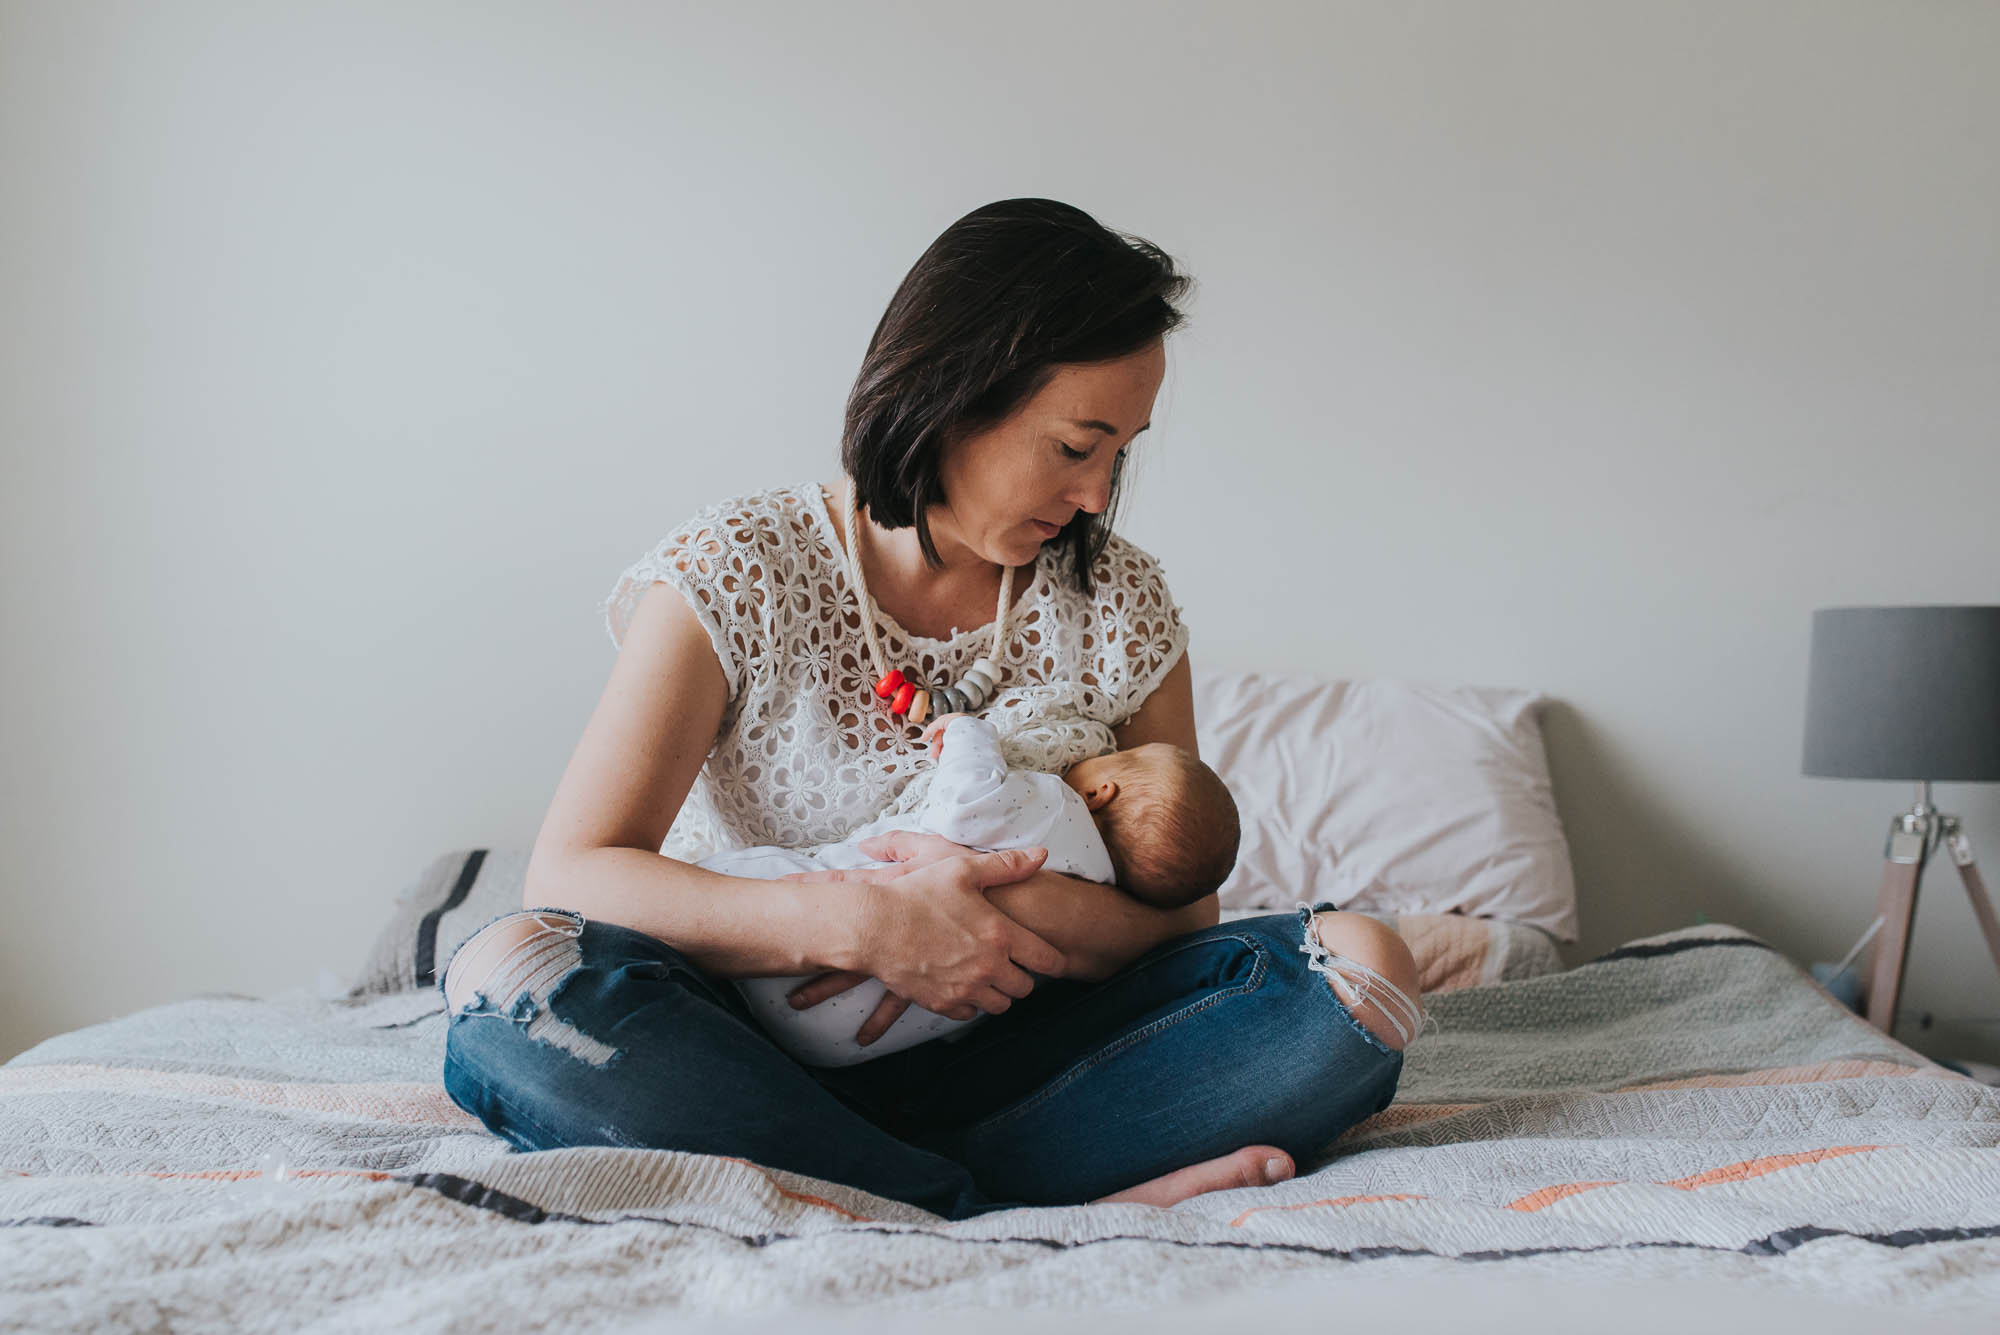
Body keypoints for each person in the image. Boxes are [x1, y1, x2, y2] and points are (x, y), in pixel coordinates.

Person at [437, 198, 1425, 1219]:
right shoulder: (738, 567)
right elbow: (574, 873)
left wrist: (1001, 921)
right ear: (955, 393)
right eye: (1076, 445)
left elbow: (1179, 916)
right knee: (511, 980)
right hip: (742, 1049)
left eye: (1120, 453)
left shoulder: (1121, 603)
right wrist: (855, 923)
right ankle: (982, 1198)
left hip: (1027, 1065)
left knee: (1359, 973)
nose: (1096, 496)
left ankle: (850, 1188)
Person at [721, 710, 1245, 1067]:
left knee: (743, 873)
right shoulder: (1099, 890)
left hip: (785, 943)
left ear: (1099, 791)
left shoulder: (1058, 807)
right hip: (842, 1043)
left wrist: (973, 732)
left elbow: (965, 802)